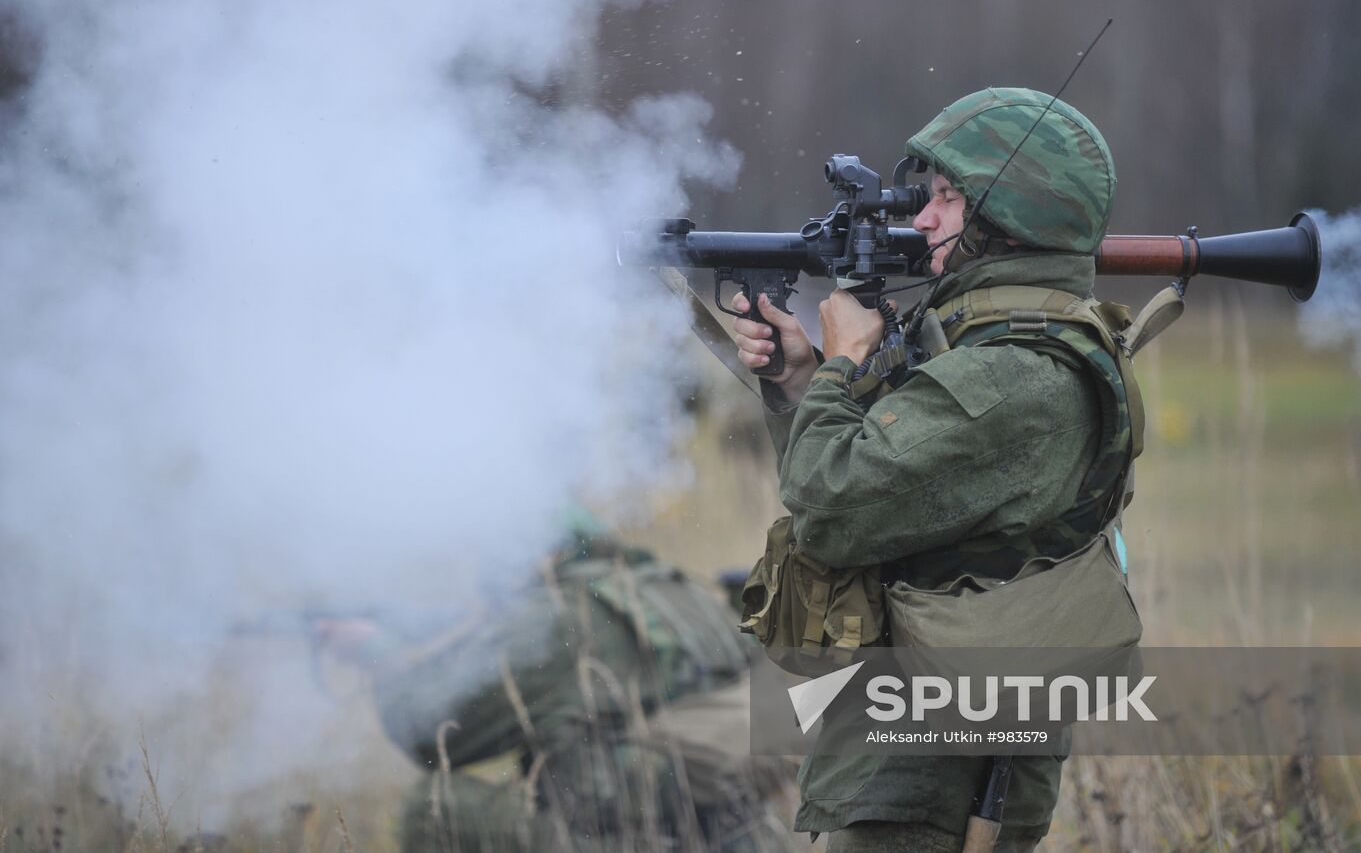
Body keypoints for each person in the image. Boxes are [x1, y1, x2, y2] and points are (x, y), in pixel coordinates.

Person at [731, 87, 1137, 852]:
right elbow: (886, 492)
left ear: (1006, 222)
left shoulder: (1012, 374)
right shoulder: (992, 348)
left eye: (950, 199)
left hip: (935, 769)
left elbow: (834, 510)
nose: (921, 218)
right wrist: (800, 380)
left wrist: (843, 365)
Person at [315, 513, 799, 852]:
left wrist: (377, 655)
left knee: (433, 807)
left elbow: (424, 731)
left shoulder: (557, 620)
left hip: (632, 836)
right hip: (733, 830)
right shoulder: (668, 585)